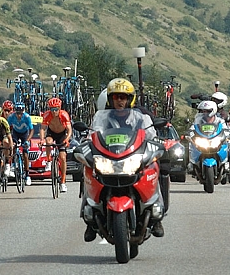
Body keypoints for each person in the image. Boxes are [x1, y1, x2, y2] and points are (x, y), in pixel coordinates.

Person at [85, 78, 163, 241]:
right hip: (109, 158)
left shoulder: (141, 118)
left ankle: (156, 214)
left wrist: (156, 145)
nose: (119, 100)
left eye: (123, 97)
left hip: (132, 157)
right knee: (86, 166)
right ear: (110, 99)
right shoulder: (101, 117)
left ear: (129, 99)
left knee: (156, 165)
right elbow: (93, 135)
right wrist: (85, 145)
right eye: (115, 97)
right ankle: (88, 214)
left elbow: (151, 136)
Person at [40, 97, 73, 193]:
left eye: (56, 109)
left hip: (62, 135)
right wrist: (42, 140)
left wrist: (67, 139)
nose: (54, 112)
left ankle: (63, 182)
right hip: (51, 133)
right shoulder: (47, 115)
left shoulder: (64, 115)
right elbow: (42, 129)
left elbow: (69, 130)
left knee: (62, 158)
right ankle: (49, 161)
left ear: (60, 108)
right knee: (48, 142)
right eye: (52, 109)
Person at [7, 101, 34, 186]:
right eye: (17, 113)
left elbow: (32, 130)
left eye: (21, 113)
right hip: (15, 132)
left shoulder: (27, 117)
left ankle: (27, 175)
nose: (19, 115)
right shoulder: (11, 117)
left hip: (25, 134)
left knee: (25, 154)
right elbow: (7, 127)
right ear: (15, 112)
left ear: (23, 111)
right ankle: (13, 164)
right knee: (13, 145)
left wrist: (27, 140)